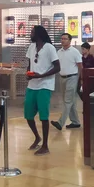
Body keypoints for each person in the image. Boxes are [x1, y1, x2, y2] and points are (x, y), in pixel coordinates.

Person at [24, 25, 60, 156]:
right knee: (28, 115)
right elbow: (30, 63)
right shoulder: (31, 47)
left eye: (32, 32)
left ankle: (45, 145)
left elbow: (57, 67)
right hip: (32, 85)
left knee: (44, 116)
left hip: (45, 85)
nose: (31, 34)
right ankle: (37, 137)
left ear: (38, 33)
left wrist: (42, 75)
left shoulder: (49, 48)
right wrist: (28, 73)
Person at [51, 33, 83, 131]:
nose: (63, 40)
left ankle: (60, 123)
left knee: (67, 101)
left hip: (72, 78)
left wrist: (81, 79)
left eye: (65, 39)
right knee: (71, 101)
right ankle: (75, 122)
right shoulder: (59, 52)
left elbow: (80, 66)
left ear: (70, 40)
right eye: (62, 38)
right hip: (62, 78)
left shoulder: (75, 52)